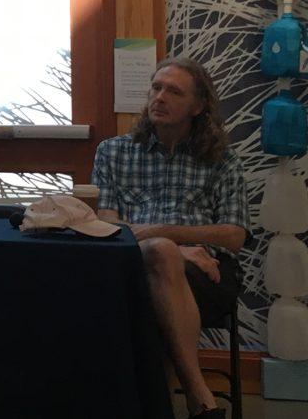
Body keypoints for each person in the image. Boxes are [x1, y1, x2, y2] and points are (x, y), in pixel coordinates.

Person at [92, 57, 248, 419]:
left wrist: (166, 237)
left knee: (160, 257)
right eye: (156, 88)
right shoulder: (113, 152)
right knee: (159, 256)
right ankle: (199, 399)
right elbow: (105, 225)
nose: (159, 97)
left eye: (173, 91)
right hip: (132, 263)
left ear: (197, 106)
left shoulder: (222, 159)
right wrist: (174, 249)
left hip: (208, 273)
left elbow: (234, 236)